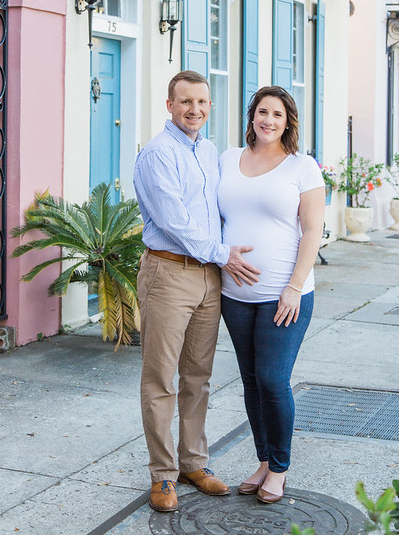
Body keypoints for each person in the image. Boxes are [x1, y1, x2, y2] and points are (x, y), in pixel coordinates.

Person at [133, 70, 260, 513]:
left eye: (202, 102)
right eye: (185, 102)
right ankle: (163, 476)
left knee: (198, 378)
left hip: (209, 278)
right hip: (169, 274)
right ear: (169, 105)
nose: (195, 110)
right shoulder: (157, 154)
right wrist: (225, 254)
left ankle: (193, 463)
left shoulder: (209, 152)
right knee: (160, 379)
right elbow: (174, 223)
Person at [218, 85, 325, 504]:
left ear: (287, 122)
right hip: (235, 293)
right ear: (252, 116)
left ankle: (279, 467)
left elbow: (313, 230)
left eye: (277, 115)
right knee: (250, 381)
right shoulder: (229, 159)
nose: (268, 120)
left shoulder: (302, 167)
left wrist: (294, 287)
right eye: (262, 112)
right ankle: (263, 460)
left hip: (285, 294)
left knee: (273, 380)